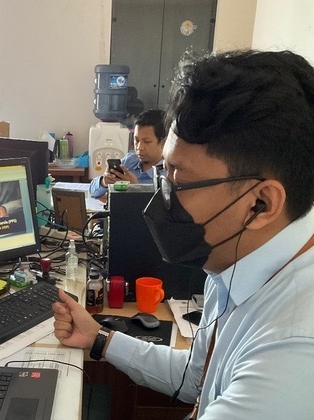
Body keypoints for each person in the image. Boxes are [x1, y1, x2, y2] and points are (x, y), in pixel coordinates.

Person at [53, 49, 314, 419]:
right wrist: (99, 339)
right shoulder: (234, 265)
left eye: (181, 182)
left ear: (261, 203)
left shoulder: (293, 352)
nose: (163, 199)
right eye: (166, 175)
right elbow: (197, 377)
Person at [89, 109, 166, 198]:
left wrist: (136, 189)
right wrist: (104, 182)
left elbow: (162, 206)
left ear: (163, 142)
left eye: (147, 141)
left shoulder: (168, 175)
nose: (139, 147)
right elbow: (92, 192)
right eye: (136, 140)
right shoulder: (128, 162)